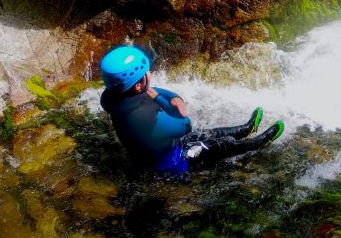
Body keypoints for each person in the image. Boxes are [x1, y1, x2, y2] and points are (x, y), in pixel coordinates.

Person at [99, 45, 284, 175]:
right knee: (218, 146)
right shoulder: (143, 119)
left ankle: (246, 128)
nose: (151, 73)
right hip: (172, 163)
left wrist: (173, 98)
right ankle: (260, 142)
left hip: (164, 146)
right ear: (138, 85)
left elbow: (153, 91)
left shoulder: (117, 96)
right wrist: (167, 103)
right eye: (147, 72)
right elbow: (184, 124)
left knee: (208, 133)